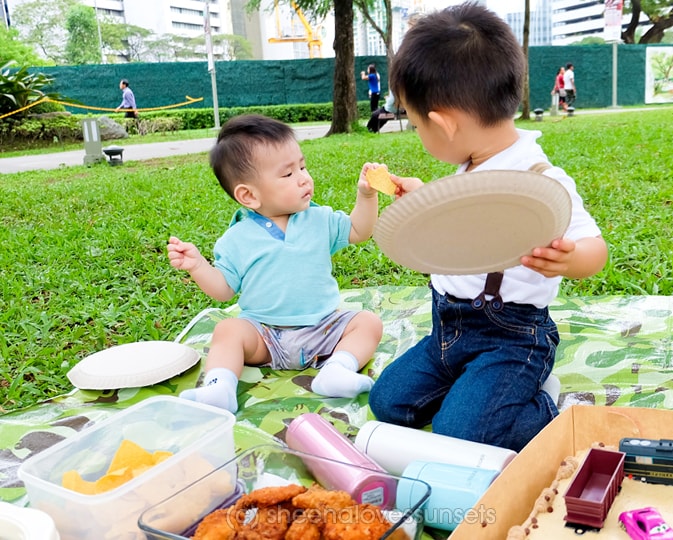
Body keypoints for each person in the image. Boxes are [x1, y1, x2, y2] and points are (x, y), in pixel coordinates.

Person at [368, 2, 607, 452]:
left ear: (443, 123)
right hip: (449, 330)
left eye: (417, 125)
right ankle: (475, 392)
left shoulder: (539, 181)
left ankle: (538, 402)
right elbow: (465, 220)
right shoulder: (471, 164)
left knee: (464, 435)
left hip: (510, 338)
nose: (420, 135)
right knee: (388, 403)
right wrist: (422, 196)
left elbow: (596, 249)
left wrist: (571, 258)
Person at [167, 114, 383, 414]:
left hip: (323, 329)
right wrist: (198, 266)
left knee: (368, 323)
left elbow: (360, 230)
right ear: (249, 195)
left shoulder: (318, 219)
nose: (304, 177)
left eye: (303, 166)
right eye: (288, 174)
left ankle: (337, 369)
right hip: (265, 337)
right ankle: (220, 388)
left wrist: (366, 195)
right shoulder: (237, 239)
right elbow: (224, 291)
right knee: (228, 330)